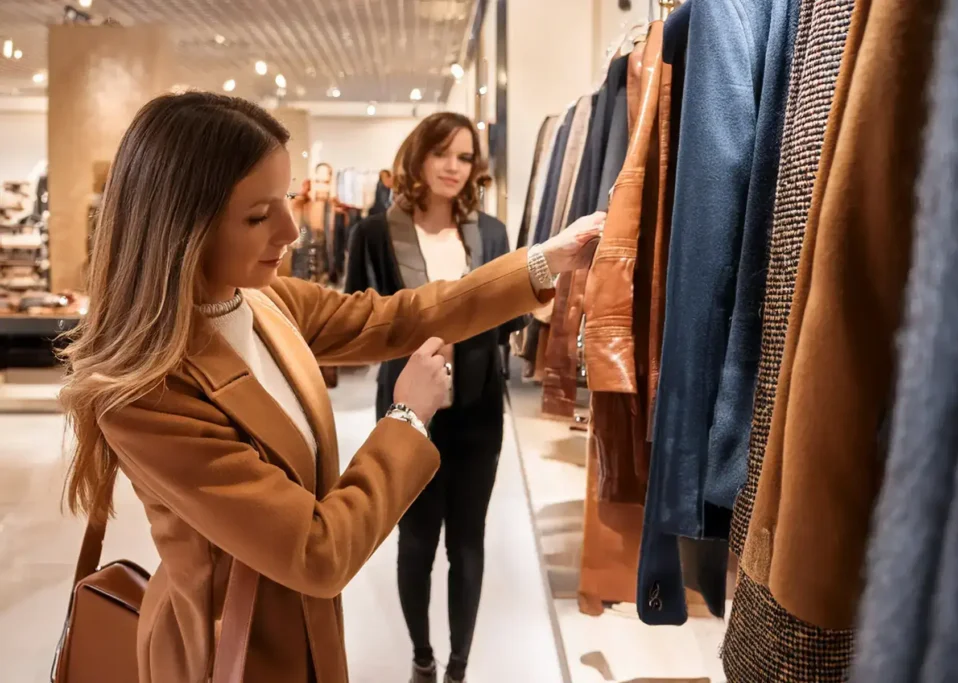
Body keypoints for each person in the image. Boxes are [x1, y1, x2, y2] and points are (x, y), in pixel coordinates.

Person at [58, 92, 605, 683]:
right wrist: (409, 419)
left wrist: (545, 262)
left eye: (287, 200)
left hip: (305, 629)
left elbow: (401, 317)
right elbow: (316, 550)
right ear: (181, 227)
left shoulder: (265, 305)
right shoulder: (148, 395)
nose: (292, 230)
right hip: (229, 653)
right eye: (258, 215)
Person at [346, 113, 586, 683]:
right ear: (418, 159)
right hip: (410, 411)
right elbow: (359, 322)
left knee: (468, 540)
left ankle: (458, 666)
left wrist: (536, 309)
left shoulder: (493, 234)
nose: (455, 167)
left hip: (479, 410)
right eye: (443, 154)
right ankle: (422, 657)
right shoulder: (376, 234)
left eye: (464, 156)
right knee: (416, 539)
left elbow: (504, 320)